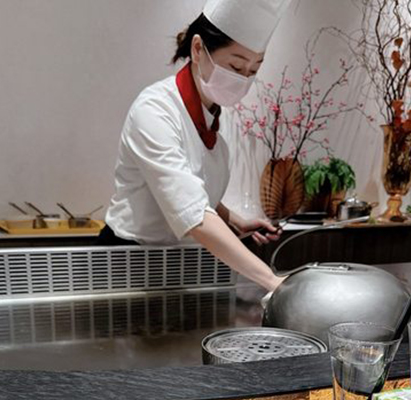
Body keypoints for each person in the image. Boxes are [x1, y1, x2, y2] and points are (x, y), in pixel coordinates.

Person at [99, 0, 291, 292]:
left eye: (253, 70)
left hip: (175, 263)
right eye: (236, 66)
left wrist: (236, 221)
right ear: (198, 49)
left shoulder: (213, 117)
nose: (243, 80)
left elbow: (198, 187)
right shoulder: (155, 111)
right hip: (127, 262)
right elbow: (191, 212)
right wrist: (271, 280)